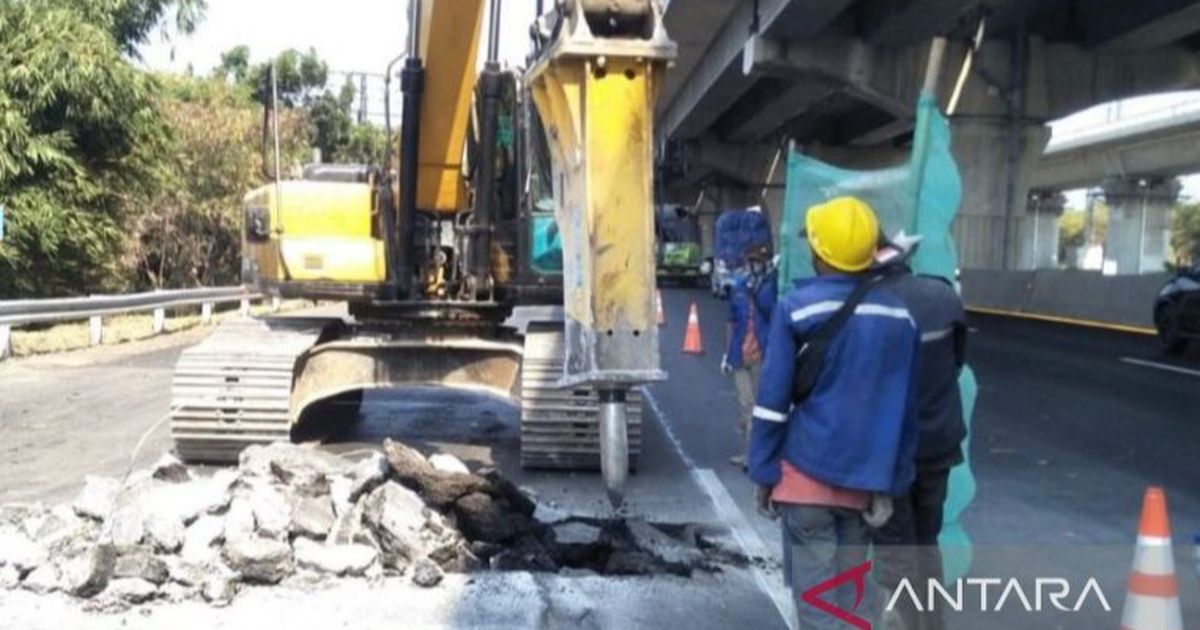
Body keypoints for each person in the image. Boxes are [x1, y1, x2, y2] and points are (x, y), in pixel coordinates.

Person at [748, 197, 920, 629]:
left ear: (820, 254)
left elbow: (771, 406)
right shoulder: (900, 317)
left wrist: (764, 472)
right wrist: (890, 486)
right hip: (862, 487)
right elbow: (904, 415)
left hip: (804, 481)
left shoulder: (798, 308)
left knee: (820, 610)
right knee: (849, 604)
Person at [870, 232, 969, 630]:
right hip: (938, 441)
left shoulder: (868, 307)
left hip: (891, 451)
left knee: (895, 543)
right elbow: (957, 363)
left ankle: (902, 622)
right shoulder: (943, 296)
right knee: (926, 538)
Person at [722, 242, 778, 468]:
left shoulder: (771, 288)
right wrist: (726, 354)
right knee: (745, 405)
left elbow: (774, 317)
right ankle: (749, 454)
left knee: (759, 406)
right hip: (739, 354)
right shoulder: (739, 288)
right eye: (751, 261)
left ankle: (757, 456)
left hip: (762, 354)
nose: (754, 266)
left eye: (758, 262)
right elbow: (731, 322)